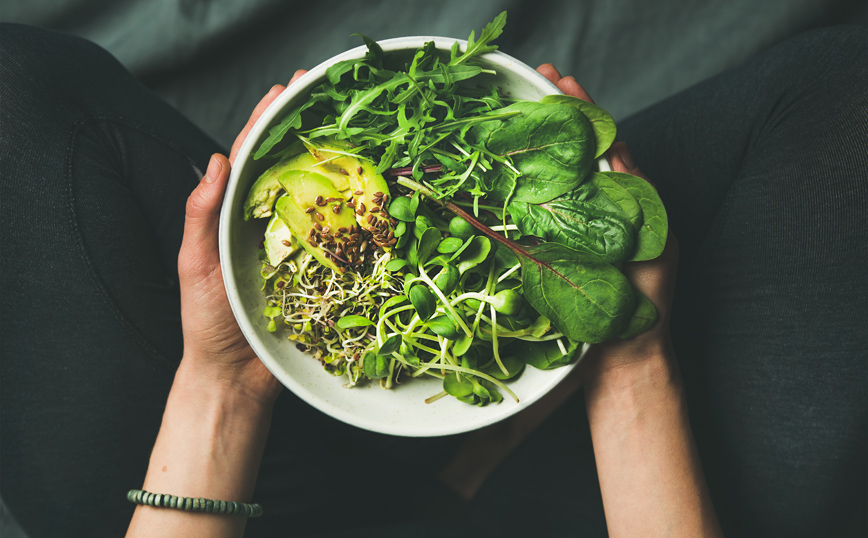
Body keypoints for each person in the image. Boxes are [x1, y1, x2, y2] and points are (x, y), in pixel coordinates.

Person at [1, 22, 865, 538]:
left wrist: (223, 383)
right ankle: (488, 456)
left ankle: (460, 455)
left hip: (243, 494)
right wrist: (630, 364)